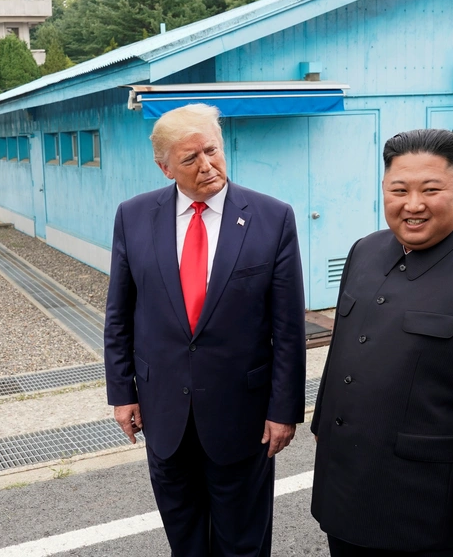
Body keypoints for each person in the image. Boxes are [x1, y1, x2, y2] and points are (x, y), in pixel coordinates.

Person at [311, 129, 453, 557]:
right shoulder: (365, 250)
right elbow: (345, 345)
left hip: (426, 502)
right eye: (399, 190)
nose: (412, 204)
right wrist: (323, 423)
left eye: (430, 190)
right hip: (345, 484)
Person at [104, 103, 306, 557]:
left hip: (244, 414)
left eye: (212, 151)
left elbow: (289, 327)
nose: (207, 166)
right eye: (190, 159)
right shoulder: (133, 217)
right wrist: (122, 392)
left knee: (243, 542)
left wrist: (284, 409)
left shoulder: (271, 218)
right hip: (163, 412)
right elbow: (119, 313)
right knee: (185, 538)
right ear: (165, 167)